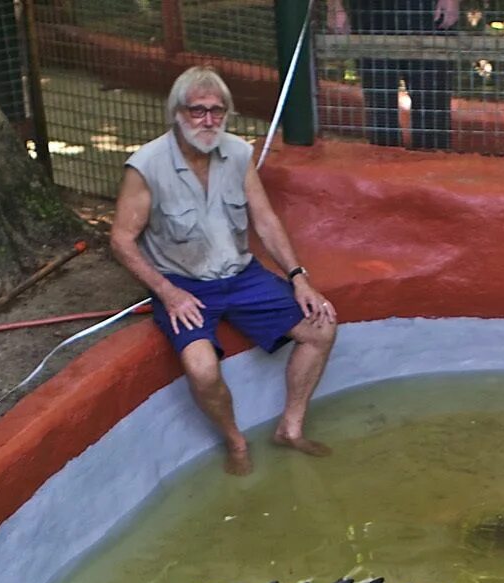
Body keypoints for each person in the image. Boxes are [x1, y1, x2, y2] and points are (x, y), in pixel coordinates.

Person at [111, 68, 337, 475]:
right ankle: (235, 441)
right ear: (177, 113)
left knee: (321, 327)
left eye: (217, 111)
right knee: (201, 367)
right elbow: (121, 240)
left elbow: (265, 220)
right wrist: (168, 292)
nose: (209, 120)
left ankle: (290, 426)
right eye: (198, 111)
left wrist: (298, 276)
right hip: (182, 282)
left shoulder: (237, 153)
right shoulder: (146, 166)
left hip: (241, 274)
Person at [326, 0, 459, 151]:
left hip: (428, 11)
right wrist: (334, 7)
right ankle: (384, 167)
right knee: (379, 106)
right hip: (371, 14)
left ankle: (432, 165)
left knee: (432, 104)